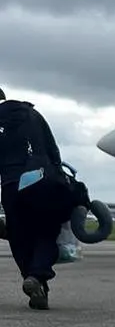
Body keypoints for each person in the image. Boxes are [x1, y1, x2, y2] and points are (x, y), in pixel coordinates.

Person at [0, 87, 73, 310]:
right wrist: (58, 176)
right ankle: (37, 277)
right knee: (46, 231)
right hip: (40, 180)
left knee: (18, 236)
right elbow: (52, 149)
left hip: (11, 185)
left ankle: (34, 280)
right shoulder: (32, 114)